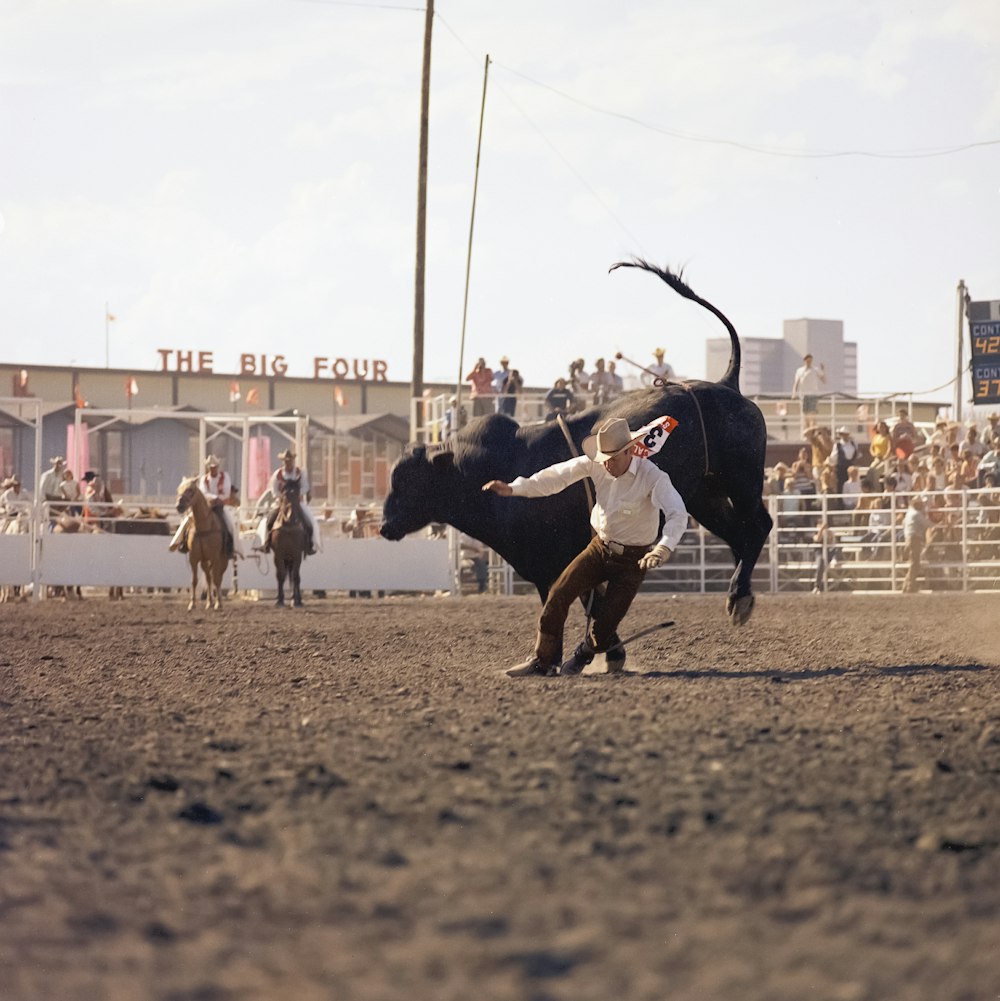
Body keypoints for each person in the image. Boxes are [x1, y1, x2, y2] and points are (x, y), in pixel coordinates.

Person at [482, 416, 689, 678]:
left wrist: (663, 548)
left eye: (613, 458)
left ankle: (585, 653)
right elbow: (557, 476)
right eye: (604, 457)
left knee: (604, 627)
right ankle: (542, 661)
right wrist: (514, 488)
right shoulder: (598, 464)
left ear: (629, 451)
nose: (607, 464)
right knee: (558, 594)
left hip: (633, 561)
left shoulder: (653, 477)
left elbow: (677, 513)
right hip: (599, 549)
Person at [170, 455, 239, 557]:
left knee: (230, 522)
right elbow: (203, 492)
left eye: (214, 467)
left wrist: (215, 498)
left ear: (218, 467)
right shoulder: (204, 479)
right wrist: (212, 498)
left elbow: (226, 492)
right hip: (207, 505)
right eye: (211, 467)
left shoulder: (225, 477)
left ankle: (233, 548)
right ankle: (179, 542)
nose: (213, 469)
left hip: (221, 506)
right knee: (187, 520)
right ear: (208, 468)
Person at [261, 448, 318, 555]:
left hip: (297, 502)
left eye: (289, 460)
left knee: (309, 521)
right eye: (286, 461)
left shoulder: (300, 473)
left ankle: (309, 544)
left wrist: (296, 494)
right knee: (269, 520)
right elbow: (274, 489)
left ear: (293, 460)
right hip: (282, 503)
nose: (288, 462)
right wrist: (281, 496)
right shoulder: (278, 474)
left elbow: (305, 487)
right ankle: (267, 543)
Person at [901, 495, 930, 593]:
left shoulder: (909, 513)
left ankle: (908, 585)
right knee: (915, 563)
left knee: (914, 562)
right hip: (914, 538)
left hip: (909, 537)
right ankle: (909, 585)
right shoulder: (917, 514)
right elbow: (927, 524)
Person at [790, 354, 826, 422]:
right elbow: (796, 383)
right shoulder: (800, 370)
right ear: (804, 360)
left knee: (812, 414)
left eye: (810, 360)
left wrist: (823, 370)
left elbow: (824, 380)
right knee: (805, 415)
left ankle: (812, 430)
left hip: (813, 395)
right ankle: (806, 430)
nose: (809, 361)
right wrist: (794, 393)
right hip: (803, 396)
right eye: (807, 360)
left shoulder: (815, 370)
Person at [38, 456, 66, 525]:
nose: (59, 466)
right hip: (48, 498)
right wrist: (43, 500)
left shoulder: (60, 476)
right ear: (54, 464)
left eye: (60, 464)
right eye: (57, 464)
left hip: (56, 498)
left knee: (67, 501)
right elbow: (42, 488)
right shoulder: (47, 475)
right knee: (47, 517)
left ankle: (54, 524)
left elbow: (60, 487)